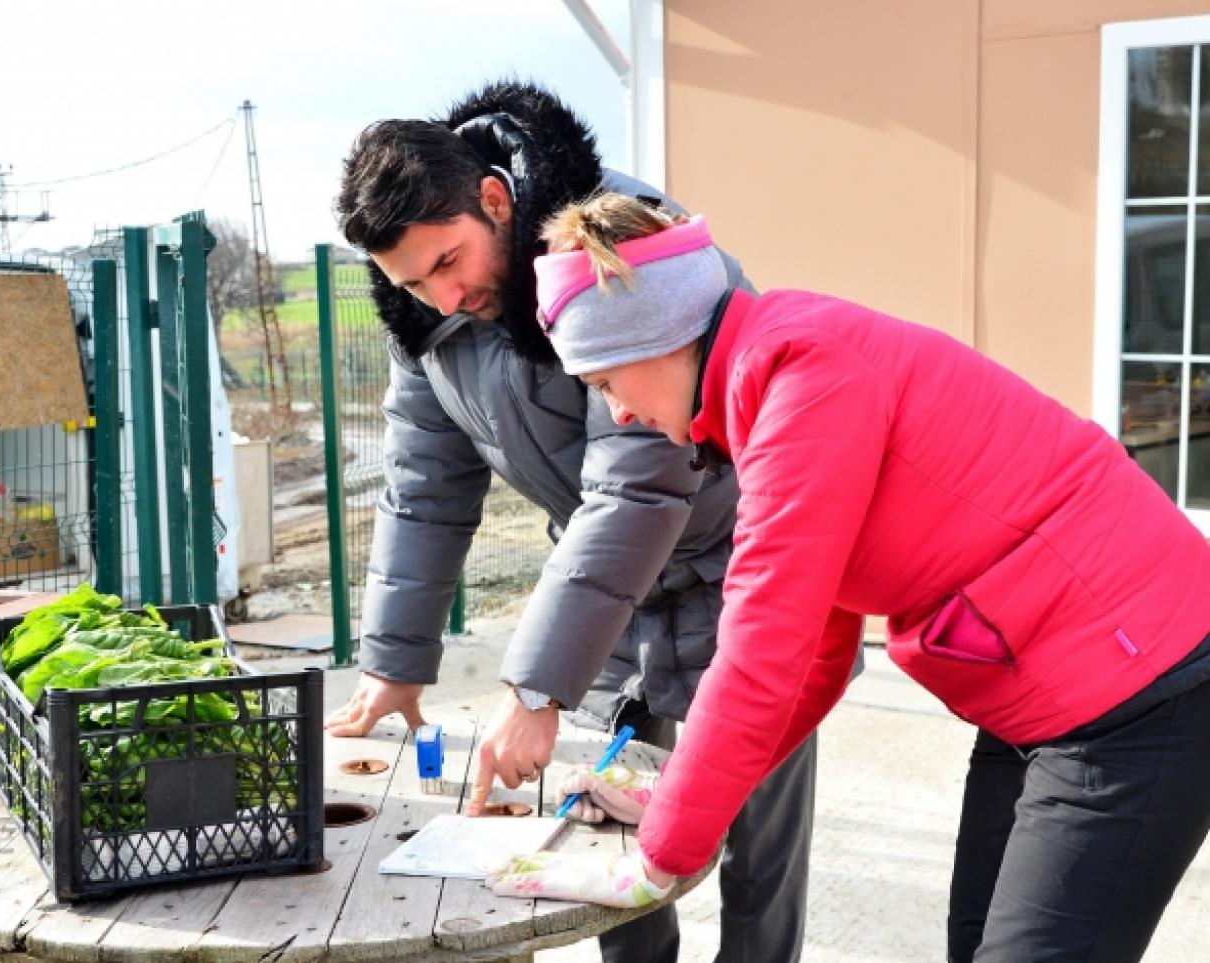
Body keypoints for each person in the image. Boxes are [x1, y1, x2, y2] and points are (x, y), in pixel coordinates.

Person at [486, 193, 1210, 962]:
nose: (618, 414)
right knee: (975, 945)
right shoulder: (765, 384)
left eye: (604, 383)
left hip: (1140, 689)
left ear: (657, 338)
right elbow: (813, 656)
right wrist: (676, 799)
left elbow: (761, 650)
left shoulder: (802, 376)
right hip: (1041, 691)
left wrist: (655, 859)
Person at [328, 81, 824, 963]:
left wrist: (534, 689)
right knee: (599, 826)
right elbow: (425, 487)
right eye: (410, 281)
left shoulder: (621, 244)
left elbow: (639, 486)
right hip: (609, 598)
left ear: (494, 199)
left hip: (742, 571)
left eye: (448, 264)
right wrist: (395, 662)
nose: (442, 297)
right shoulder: (430, 319)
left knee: (755, 845)